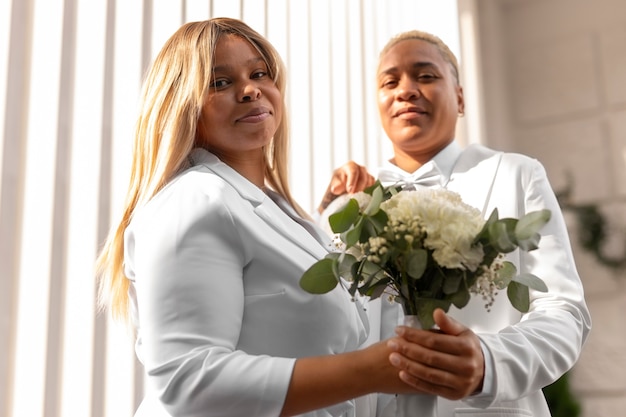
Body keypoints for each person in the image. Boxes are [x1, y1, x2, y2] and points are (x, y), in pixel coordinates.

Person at [94, 17, 438, 417]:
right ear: (181, 105)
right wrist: (372, 370)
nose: (250, 89)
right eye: (220, 82)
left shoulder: (282, 212)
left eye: (259, 73)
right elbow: (187, 380)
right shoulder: (193, 201)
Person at [318, 30, 592, 417]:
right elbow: (320, 324)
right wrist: (326, 212)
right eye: (389, 81)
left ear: (460, 98)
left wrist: (489, 362)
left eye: (425, 76)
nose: (406, 90)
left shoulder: (516, 174)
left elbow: (564, 311)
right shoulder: (349, 206)